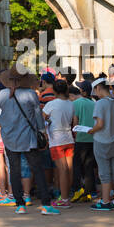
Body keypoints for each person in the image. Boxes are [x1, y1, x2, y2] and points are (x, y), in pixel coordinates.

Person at [0, 68, 60, 214]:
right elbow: (38, 115)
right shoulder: (31, 94)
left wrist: (0, 123)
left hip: (9, 137)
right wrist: (42, 131)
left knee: (14, 170)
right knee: (37, 170)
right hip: (29, 138)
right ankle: (45, 204)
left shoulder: (3, 94)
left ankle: (19, 204)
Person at [90, 79, 114, 210]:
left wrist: (90, 130)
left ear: (98, 87)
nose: (95, 93)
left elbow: (100, 124)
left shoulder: (100, 103)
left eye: (95, 90)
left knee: (104, 173)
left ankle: (105, 201)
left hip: (101, 140)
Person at [43, 77, 76, 208]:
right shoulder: (70, 104)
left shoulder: (51, 104)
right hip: (69, 137)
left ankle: (64, 199)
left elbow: (42, 118)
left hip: (56, 139)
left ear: (55, 91)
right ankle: (67, 196)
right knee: (68, 169)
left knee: (62, 170)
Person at [71, 80, 96, 202]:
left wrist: (75, 134)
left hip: (81, 138)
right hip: (93, 138)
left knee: (77, 165)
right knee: (89, 167)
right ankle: (88, 192)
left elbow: (75, 121)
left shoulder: (77, 103)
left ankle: (77, 190)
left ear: (83, 91)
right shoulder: (95, 103)